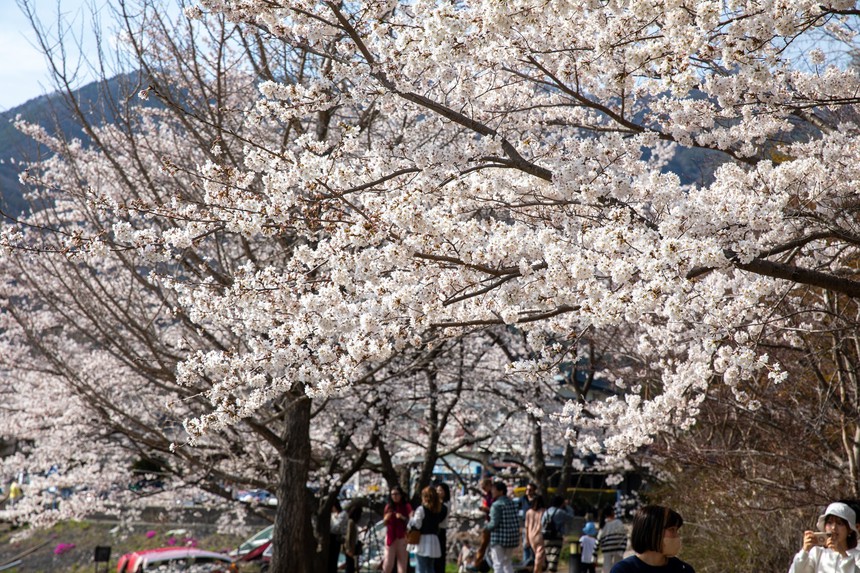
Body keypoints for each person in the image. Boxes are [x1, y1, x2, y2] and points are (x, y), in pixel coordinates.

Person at [610, 505, 694, 573]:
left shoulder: (684, 569)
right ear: (652, 531)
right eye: (672, 529)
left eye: (677, 530)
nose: (677, 535)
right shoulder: (623, 570)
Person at [789, 501, 857, 573]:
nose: (833, 528)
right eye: (830, 522)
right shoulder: (817, 553)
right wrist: (804, 551)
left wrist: (843, 554)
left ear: (850, 530)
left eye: (839, 523)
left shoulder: (857, 555)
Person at [408, 485, 449, 573]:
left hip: (423, 540)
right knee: (430, 567)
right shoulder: (438, 509)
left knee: (420, 567)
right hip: (434, 540)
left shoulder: (421, 509)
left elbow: (417, 525)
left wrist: (411, 518)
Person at [484, 481, 520, 573]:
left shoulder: (496, 505)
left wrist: (485, 528)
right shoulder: (512, 503)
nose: (492, 491)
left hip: (499, 539)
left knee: (498, 564)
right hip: (511, 537)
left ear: (501, 491)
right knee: (507, 563)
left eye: (494, 489)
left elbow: (494, 523)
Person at [383, 486, 413, 573]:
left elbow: (412, 521)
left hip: (402, 537)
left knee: (402, 565)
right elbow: (384, 523)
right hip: (390, 537)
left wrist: (402, 517)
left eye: (396, 494)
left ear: (401, 495)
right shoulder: (388, 507)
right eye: (392, 494)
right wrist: (386, 519)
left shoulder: (407, 506)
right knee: (388, 564)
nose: (394, 496)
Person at [542, 495, 574, 572]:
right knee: (554, 558)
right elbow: (571, 517)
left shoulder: (546, 512)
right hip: (557, 537)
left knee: (549, 557)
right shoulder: (560, 512)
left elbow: (542, 523)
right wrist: (568, 506)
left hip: (546, 537)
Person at [599, 505, 629, 573]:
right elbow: (624, 537)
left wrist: (594, 557)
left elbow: (598, 540)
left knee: (606, 569)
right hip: (618, 550)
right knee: (618, 568)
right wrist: (623, 548)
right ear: (613, 513)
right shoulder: (618, 523)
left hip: (606, 550)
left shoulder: (603, 525)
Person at [524, 494, 547, 573]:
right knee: (539, 556)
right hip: (540, 535)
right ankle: (537, 570)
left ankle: (539, 569)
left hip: (531, 536)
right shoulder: (544, 511)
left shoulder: (528, 512)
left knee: (537, 555)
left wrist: (527, 539)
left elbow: (526, 527)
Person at [518, 483, 538, 566]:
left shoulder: (537, 499)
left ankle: (533, 562)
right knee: (526, 544)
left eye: (530, 490)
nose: (528, 491)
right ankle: (525, 563)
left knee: (534, 545)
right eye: (527, 489)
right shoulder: (523, 499)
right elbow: (517, 507)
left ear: (534, 491)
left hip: (535, 524)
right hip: (525, 524)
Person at [436, 482, 452, 573]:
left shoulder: (445, 504)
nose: (438, 492)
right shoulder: (439, 503)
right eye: (437, 490)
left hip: (440, 531)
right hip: (438, 531)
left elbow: (439, 518)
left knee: (439, 555)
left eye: (441, 490)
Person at [329, 500, 349, 573]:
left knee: (334, 558)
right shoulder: (332, 515)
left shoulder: (343, 514)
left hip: (337, 538)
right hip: (331, 537)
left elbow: (337, 528)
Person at [343, 504, 363, 573]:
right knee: (350, 567)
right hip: (350, 548)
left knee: (352, 567)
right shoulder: (351, 522)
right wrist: (348, 549)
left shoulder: (353, 523)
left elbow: (354, 534)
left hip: (353, 547)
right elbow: (348, 536)